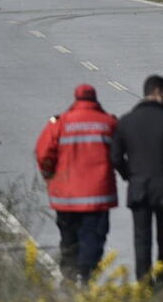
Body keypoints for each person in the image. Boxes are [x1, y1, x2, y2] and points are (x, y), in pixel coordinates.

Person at [34, 84, 117, 284]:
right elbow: (119, 152)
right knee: (94, 238)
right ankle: (86, 275)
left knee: (69, 238)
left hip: (67, 197)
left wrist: (49, 175)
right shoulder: (109, 123)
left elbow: (43, 153)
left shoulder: (60, 123)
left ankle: (69, 275)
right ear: (95, 99)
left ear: (76, 99)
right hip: (97, 196)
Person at [111, 75, 163, 287]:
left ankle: (143, 283)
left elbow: (115, 156)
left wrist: (129, 174)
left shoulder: (126, 121)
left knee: (141, 239)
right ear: (157, 92)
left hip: (139, 187)